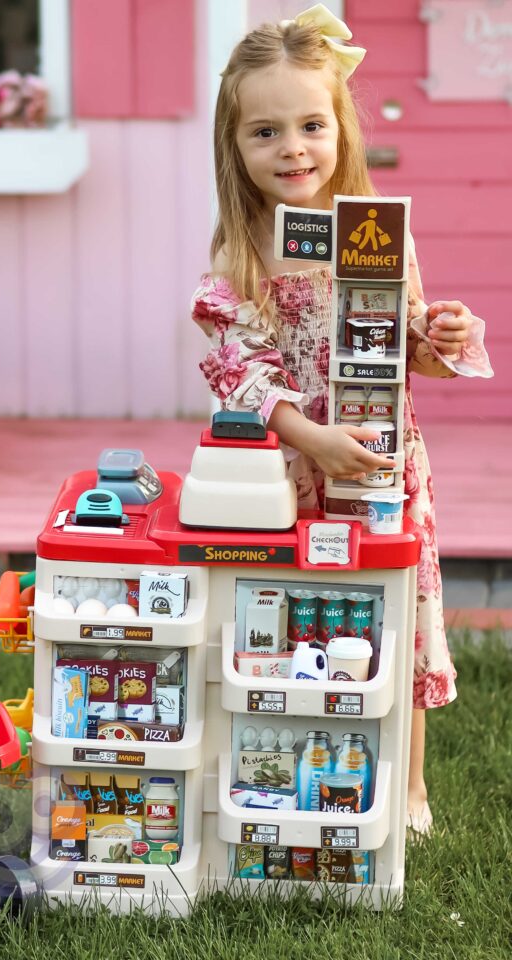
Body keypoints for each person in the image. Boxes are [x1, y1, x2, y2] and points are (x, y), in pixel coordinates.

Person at [192, 4, 493, 835]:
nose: (293, 147)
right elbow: (242, 372)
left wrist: (443, 335)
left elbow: (412, 342)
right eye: (265, 131)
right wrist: (310, 439)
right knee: (300, 619)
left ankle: (410, 787)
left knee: (394, 608)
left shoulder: (373, 231)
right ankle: (286, 765)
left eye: (311, 124)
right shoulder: (241, 252)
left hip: (382, 462)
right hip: (292, 468)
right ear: (236, 144)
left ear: (341, 129)